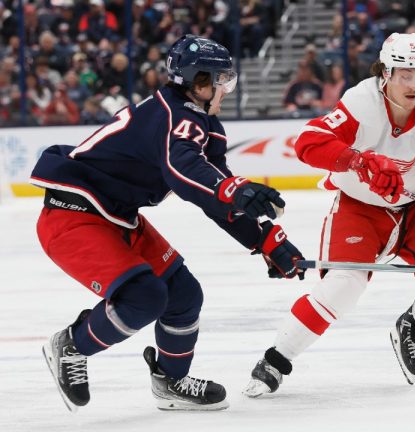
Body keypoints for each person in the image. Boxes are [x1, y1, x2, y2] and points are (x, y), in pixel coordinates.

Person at [31, 34, 305, 412]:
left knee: (183, 294)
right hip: (74, 213)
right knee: (144, 297)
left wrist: (265, 240)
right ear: (200, 82)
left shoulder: (197, 121)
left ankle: (170, 380)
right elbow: (183, 170)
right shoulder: (178, 116)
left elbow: (214, 195)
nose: (227, 87)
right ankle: (71, 346)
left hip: (116, 216)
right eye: (222, 79)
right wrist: (232, 188)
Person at [243, 32, 415, 397]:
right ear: (385, 72)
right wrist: (358, 161)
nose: (414, 84)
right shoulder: (361, 102)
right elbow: (308, 143)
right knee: (343, 287)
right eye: (405, 74)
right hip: (360, 207)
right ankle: (276, 359)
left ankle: (413, 327)